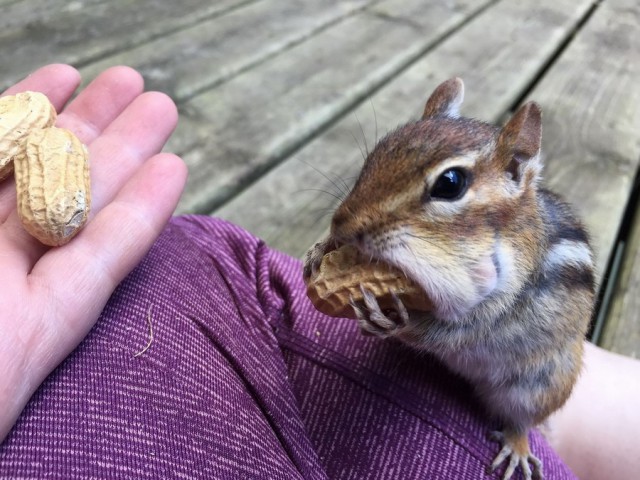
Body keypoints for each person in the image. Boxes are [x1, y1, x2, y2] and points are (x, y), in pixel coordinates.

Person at [0, 64, 638, 479]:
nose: (359, 219)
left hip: (520, 360)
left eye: (444, 188)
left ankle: (543, 434)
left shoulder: (512, 259)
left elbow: (471, 327)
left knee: (532, 401)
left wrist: (414, 328)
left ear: (518, 170)